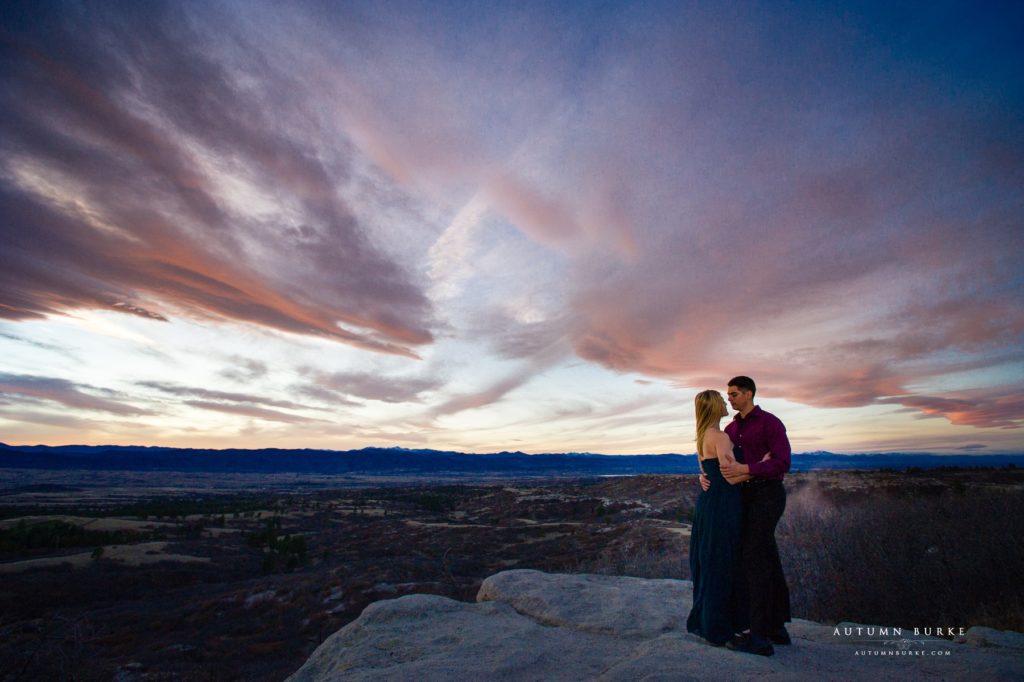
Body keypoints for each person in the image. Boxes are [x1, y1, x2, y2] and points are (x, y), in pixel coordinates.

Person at [715, 375, 793, 657]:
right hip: (743, 498)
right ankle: (776, 626)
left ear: (749, 394)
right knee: (767, 557)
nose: (730, 399)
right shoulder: (731, 428)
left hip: (768, 495)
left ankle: (759, 637)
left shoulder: (770, 422)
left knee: (754, 558)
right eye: (728, 395)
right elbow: (726, 466)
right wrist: (706, 476)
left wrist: (749, 469)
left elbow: (782, 462)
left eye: (734, 394)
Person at [686, 389, 754, 646]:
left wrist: (704, 477)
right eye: (722, 400)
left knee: (709, 559)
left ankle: (709, 620)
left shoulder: (703, 436)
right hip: (723, 503)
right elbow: (732, 475)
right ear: (715, 407)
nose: (727, 403)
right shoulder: (721, 436)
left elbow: (710, 471)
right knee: (723, 560)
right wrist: (762, 468)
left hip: (708, 503)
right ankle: (720, 625)